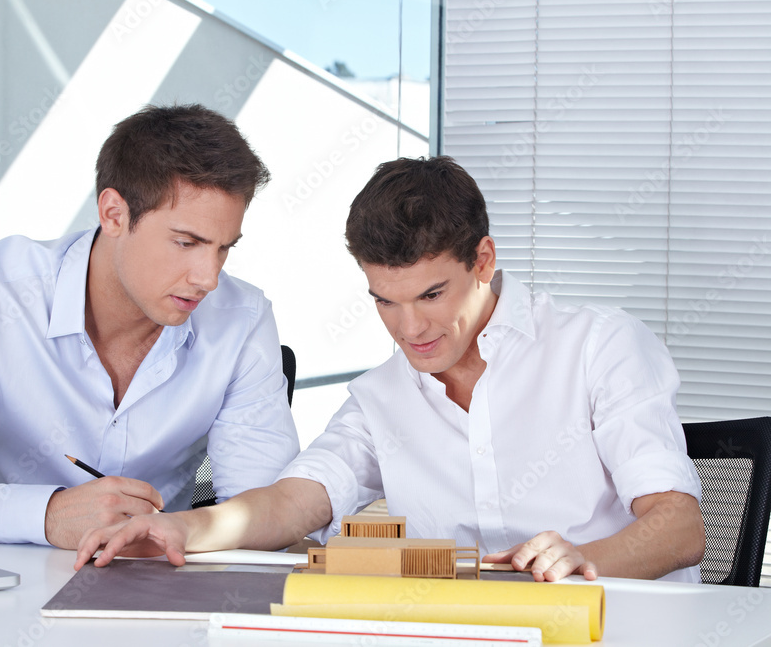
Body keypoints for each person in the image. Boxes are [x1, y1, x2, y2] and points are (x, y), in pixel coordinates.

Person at [75, 155, 706, 583]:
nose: (410, 330)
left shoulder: (599, 347)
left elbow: (678, 528)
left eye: (432, 295)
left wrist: (580, 561)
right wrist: (172, 526)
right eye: (385, 301)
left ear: (483, 259)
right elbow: (292, 502)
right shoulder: (381, 396)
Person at [0, 104, 300, 549]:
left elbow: (263, 509)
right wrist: (47, 515)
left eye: (224, 248)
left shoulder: (241, 320)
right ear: (114, 214)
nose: (209, 277)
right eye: (186, 243)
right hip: (6, 575)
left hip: (159, 579)